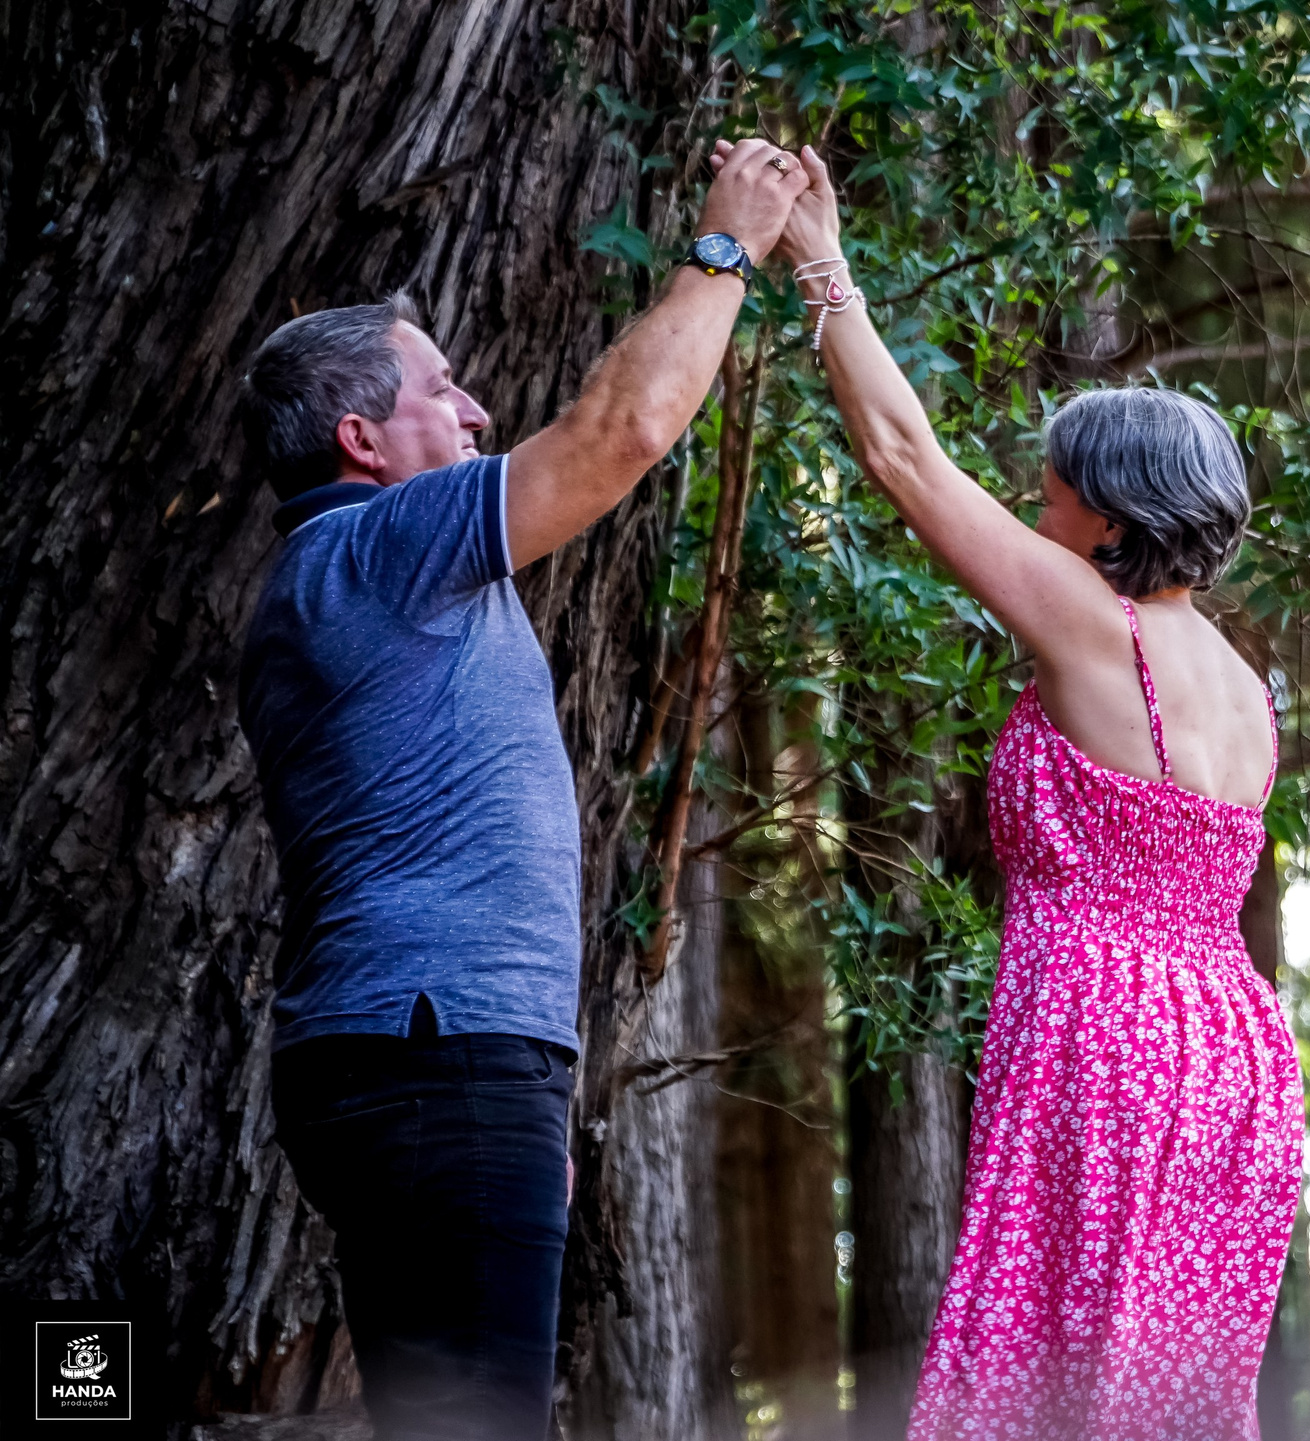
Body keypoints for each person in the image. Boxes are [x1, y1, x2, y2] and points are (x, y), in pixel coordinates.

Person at [723, 138, 1304, 1437]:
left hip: (1110, 1033)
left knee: (1049, 1374)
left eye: (1051, 494)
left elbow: (905, 460)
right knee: (1159, 1394)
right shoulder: (1243, 684)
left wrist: (824, 266)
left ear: (1109, 515)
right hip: (1234, 1054)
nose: (1034, 514)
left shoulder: (1100, 624)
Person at [235, 139, 811, 1441]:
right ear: (362, 437)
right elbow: (624, 432)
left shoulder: (327, 583)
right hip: (441, 1058)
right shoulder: (381, 545)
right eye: (444, 390)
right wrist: (727, 247)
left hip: (424, 1060)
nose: (479, 409)